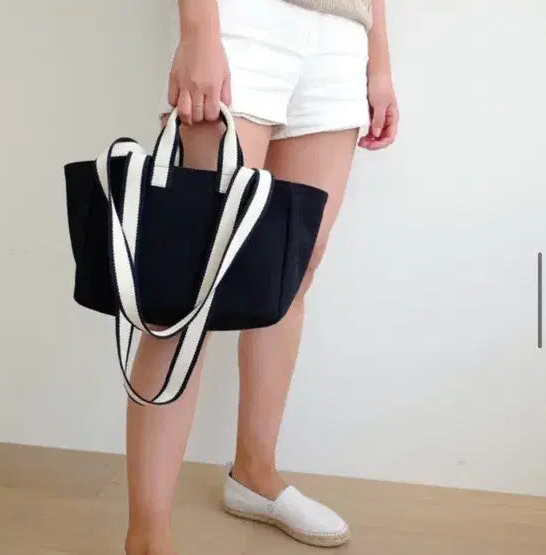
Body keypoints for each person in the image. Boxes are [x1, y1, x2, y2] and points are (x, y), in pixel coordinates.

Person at [125, 0, 398, 553]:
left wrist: (379, 59)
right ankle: (148, 537)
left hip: (343, 38)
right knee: (186, 290)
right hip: (245, 22)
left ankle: (254, 473)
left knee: (290, 275)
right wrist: (198, 29)